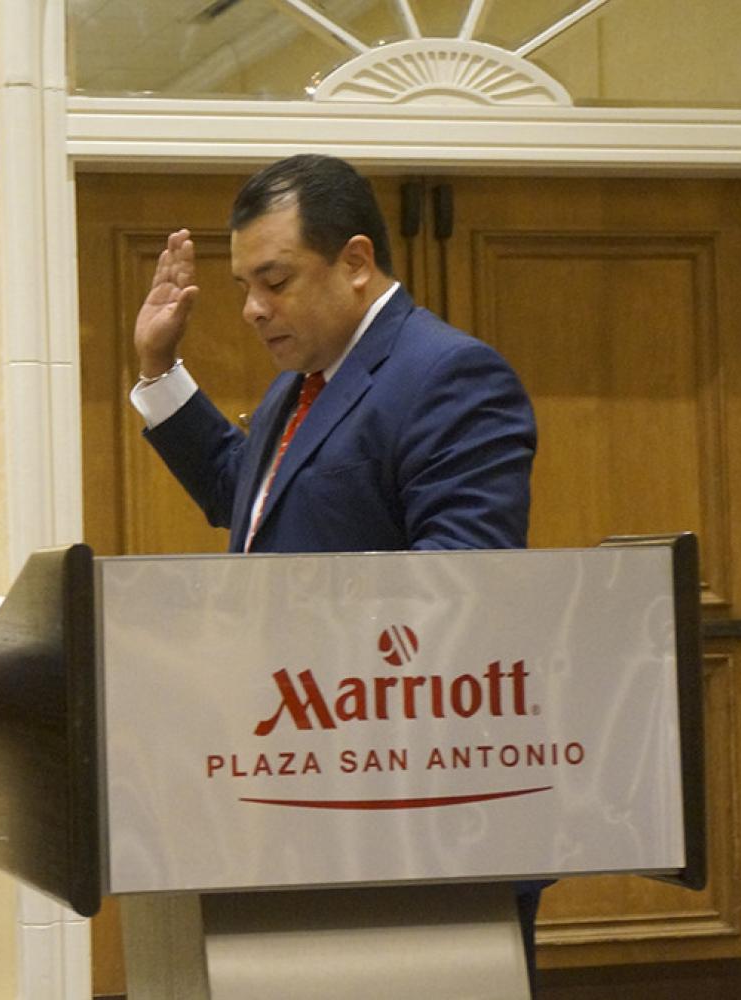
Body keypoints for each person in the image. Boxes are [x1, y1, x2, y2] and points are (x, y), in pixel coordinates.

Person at [128, 155, 543, 959]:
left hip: (414, 823)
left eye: (274, 281)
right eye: (246, 284)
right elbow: (244, 498)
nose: (252, 309)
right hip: (307, 803)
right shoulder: (302, 384)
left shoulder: (449, 375)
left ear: (355, 262)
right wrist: (159, 368)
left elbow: (461, 588)